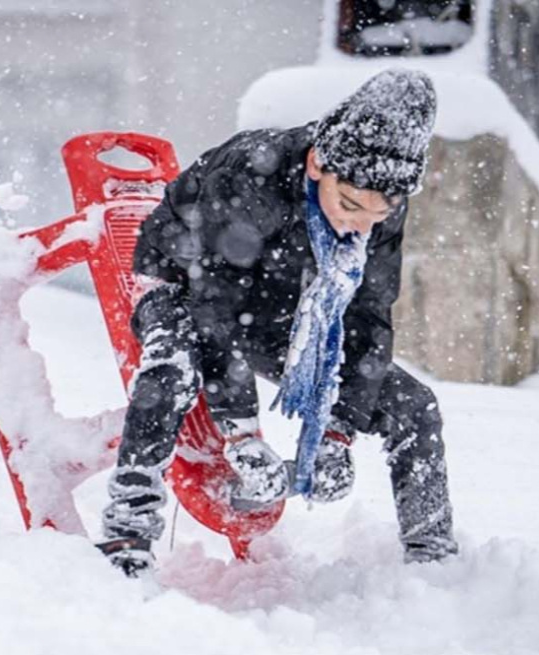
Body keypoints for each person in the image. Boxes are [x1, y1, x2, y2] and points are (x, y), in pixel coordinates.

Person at [96, 69, 458, 576]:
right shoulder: (252, 174)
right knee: (173, 367)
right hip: (184, 282)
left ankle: (434, 562)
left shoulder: (381, 199)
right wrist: (240, 434)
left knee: (415, 407)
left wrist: (339, 429)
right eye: (349, 204)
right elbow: (215, 308)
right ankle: (126, 533)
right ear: (316, 164)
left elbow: (369, 316)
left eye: (376, 215)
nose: (357, 225)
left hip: (284, 303)